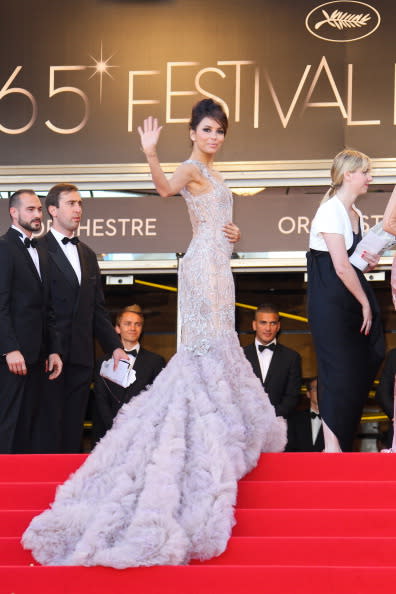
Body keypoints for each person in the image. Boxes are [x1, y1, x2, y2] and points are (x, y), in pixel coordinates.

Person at [22, 99, 286, 568]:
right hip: (202, 268)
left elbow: (216, 219)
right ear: (192, 133)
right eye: (207, 130)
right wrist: (149, 152)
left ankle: (221, 424)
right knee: (204, 346)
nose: (214, 137)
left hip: (220, 265)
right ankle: (202, 429)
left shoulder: (218, 175)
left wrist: (233, 233)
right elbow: (165, 189)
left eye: (220, 131)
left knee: (221, 343)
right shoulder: (187, 167)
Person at [33, 183, 126, 453]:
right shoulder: (37, 250)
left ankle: (70, 487)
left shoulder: (87, 254)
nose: (78, 209)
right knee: (48, 425)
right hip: (49, 355)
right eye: (71, 203)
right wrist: (50, 348)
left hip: (82, 355)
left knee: (74, 425)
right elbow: (37, 308)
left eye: (80, 203)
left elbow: (97, 307)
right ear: (52, 210)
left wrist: (114, 346)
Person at [307, 149, 384, 453]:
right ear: (348, 174)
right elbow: (338, 266)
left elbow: (352, 265)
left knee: (366, 357)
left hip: (347, 296)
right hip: (329, 301)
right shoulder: (330, 210)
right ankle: (331, 446)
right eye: (365, 172)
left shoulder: (356, 213)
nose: (370, 178)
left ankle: (341, 438)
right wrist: (365, 301)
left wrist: (369, 259)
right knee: (335, 369)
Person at [0, 190, 62, 454]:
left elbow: (47, 309)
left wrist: (53, 349)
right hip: (13, 356)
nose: (37, 215)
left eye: (39, 209)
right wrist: (9, 348)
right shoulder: (4, 247)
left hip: (38, 357)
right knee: (9, 422)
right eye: (30, 210)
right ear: (14, 213)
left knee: (30, 423)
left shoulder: (41, 251)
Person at [92, 305, 165, 443]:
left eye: (137, 324)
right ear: (117, 328)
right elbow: (100, 399)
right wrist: (114, 427)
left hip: (142, 434)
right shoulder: (103, 361)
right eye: (128, 324)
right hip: (107, 435)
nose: (133, 328)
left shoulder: (156, 361)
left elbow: (158, 399)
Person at [244, 303, 301, 418]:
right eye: (263, 323)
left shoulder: (291, 357)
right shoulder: (240, 355)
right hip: (246, 425)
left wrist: (271, 417)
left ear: (278, 326)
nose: (268, 328)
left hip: (279, 425)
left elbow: (292, 396)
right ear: (254, 325)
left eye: (272, 323)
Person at [286, 377, 324, 452]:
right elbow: (289, 449)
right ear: (308, 394)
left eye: (323, 389)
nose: (320, 392)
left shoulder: (334, 421)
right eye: (316, 388)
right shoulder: (294, 419)